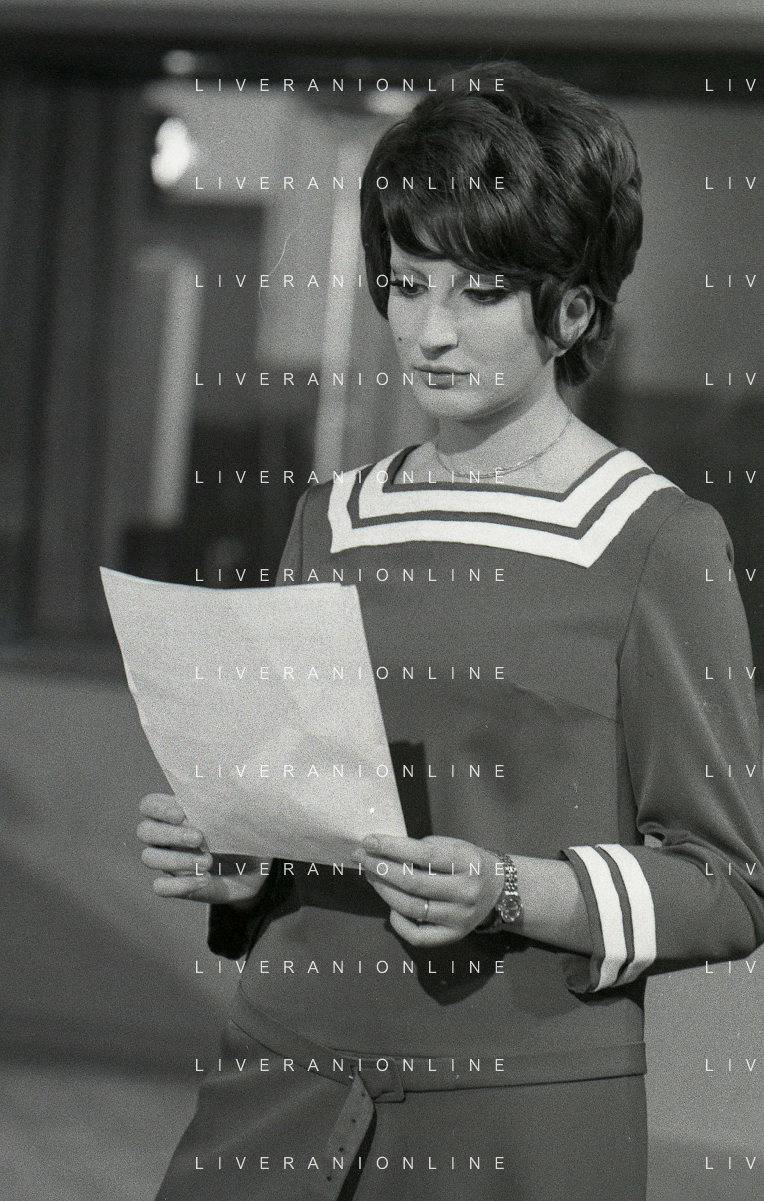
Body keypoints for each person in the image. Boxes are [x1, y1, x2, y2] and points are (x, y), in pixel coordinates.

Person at [138, 62, 764, 1200]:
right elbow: (306, 817)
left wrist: (508, 887)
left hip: (512, 1112)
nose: (428, 330)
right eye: (407, 281)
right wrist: (238, 861)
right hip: (279, 1075)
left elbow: (727, 883)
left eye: (479, 291)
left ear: (571, 310)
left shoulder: (655, 541)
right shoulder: (330, 519)